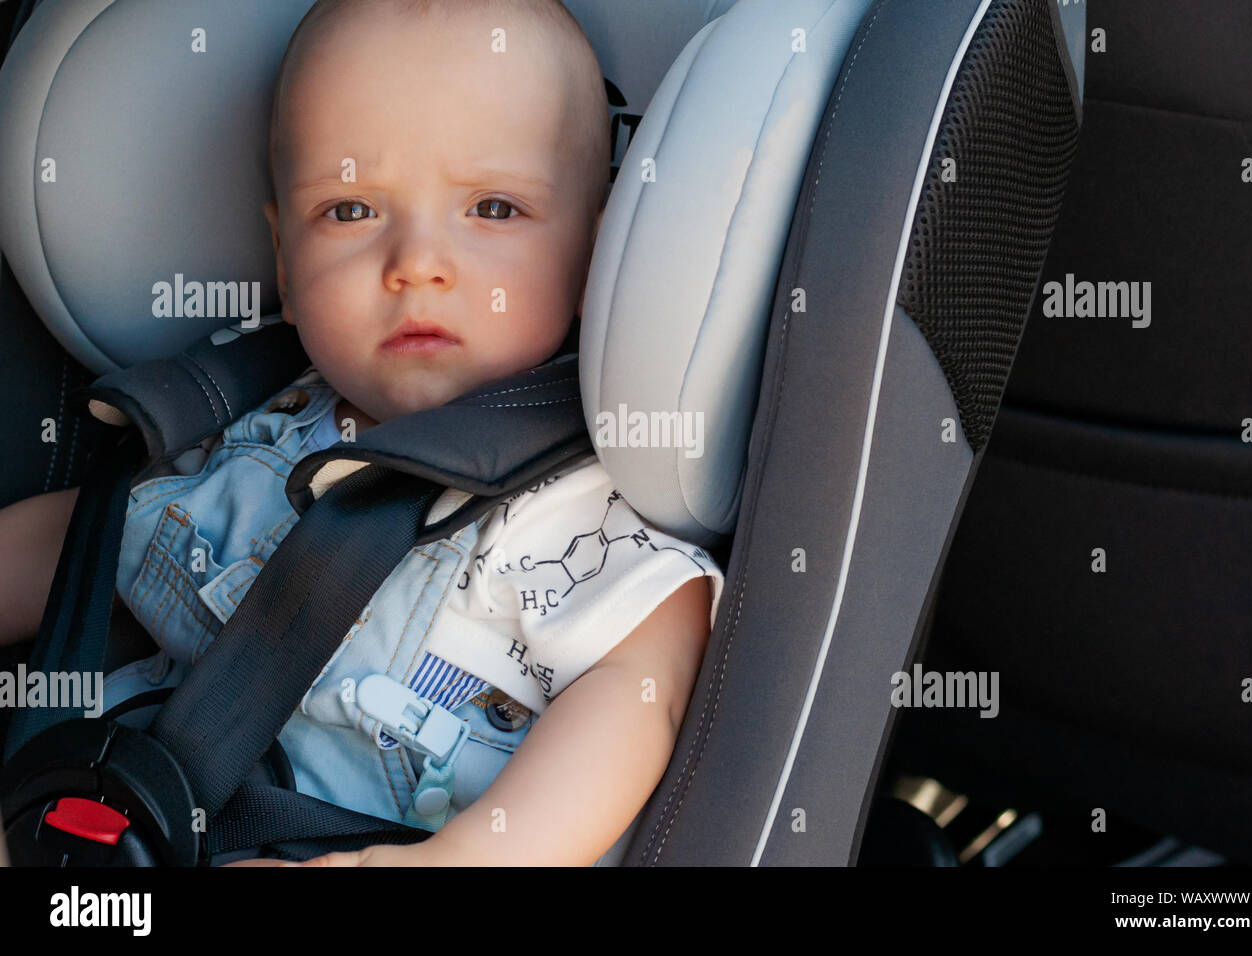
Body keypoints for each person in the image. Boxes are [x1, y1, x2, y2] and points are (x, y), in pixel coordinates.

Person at [0, 0, 723, 867]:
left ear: (595, 250)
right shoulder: (243, 420)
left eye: (493, 207)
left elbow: (644, 692)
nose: (416, 261)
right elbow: (84, 546)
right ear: (284, 263)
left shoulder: (579, 501)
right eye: (348, 211)